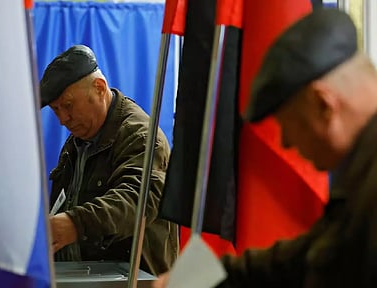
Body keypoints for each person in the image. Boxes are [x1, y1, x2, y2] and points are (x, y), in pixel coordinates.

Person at [154, 8, 377, 288]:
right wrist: (202, 278)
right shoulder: (361, 171)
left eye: (290, 127)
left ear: (323, 105)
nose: (285, 144)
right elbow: (308, 256)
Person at [40, 44, 179, 275]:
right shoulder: (79, 139)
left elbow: (136, 200)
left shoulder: (141, 136)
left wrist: (76, 224)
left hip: (133, 278)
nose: (63, 119)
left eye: (68, 106)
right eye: (56, 110)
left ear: (99, 88)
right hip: (87, 275)